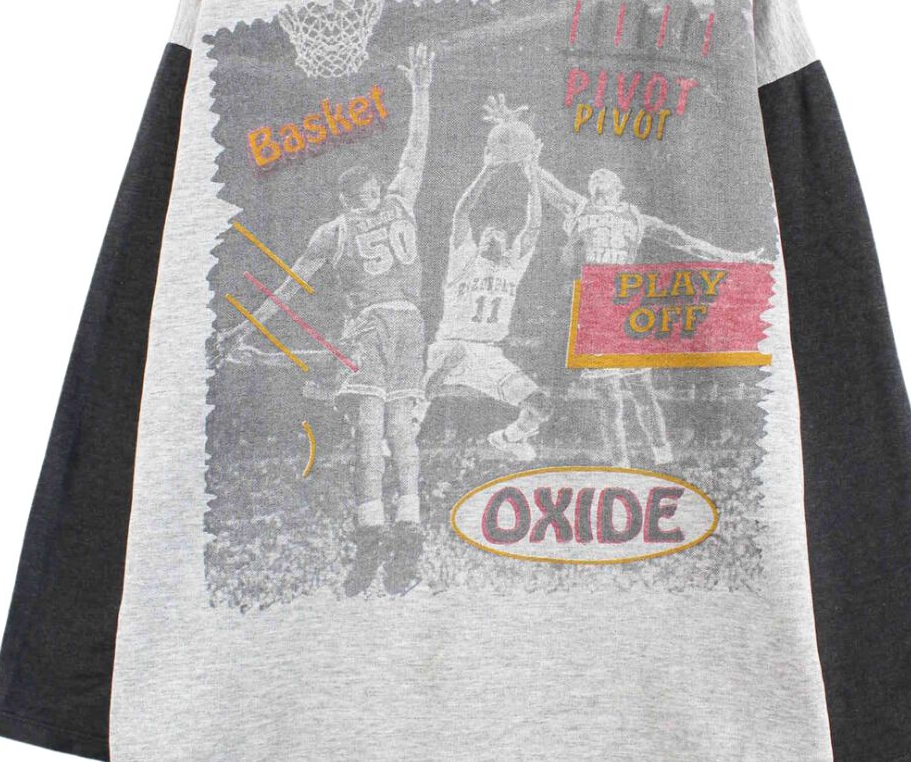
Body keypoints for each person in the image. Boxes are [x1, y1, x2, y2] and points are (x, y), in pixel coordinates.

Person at [285, 44, 434, 594]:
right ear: (359, 195)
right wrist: (420, 90)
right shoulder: (393, 203)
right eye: (368, 190)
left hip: (377, 324)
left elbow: (290, 287)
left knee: (377, 432)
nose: (372, 194)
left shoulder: (340, 227)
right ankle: (402, 529)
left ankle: (378, 530)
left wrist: (241, 327)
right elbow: (416, 148)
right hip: (405, 324)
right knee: (394, 432)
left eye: (370, 190)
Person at [539, 164, 755, 468]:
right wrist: (529, 160)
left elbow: (684, 240)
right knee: (608, 399)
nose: (597, 175)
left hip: (625, 305)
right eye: (593, 176)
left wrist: (733, 257)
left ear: (619, 186)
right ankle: (621, 465)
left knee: (641, 388)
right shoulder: (580, 207)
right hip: (595, 308)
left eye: (603, 175)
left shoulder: (636, 217)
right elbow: (551, 187)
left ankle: (662, 452)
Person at [421, 148, 550, 457]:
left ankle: (510, 438)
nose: (491, 235)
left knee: (541, 407)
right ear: (478, 242)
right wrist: (487, 170)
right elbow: (462, 213)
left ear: (507, 244)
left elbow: (533, 226)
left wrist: (532, 173)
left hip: (490, 354)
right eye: (486, 233)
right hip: (452, 343)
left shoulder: (513, 267)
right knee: (450, 359)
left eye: (498, 234)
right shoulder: (464, 260)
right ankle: (407, 426)